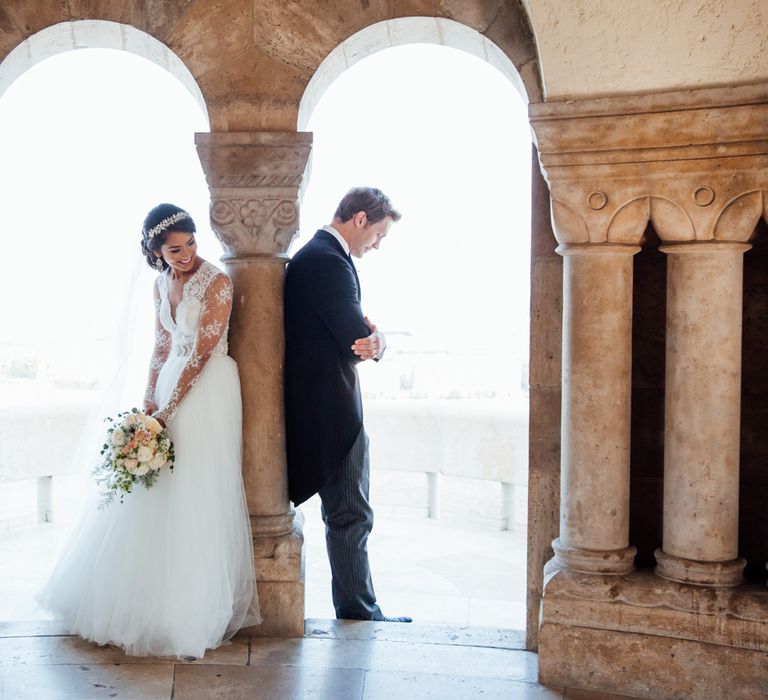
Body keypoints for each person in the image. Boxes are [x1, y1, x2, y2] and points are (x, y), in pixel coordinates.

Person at [35, 203, 260, 657]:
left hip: (210, 389)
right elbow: (161, 347)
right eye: (175, 249)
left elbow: (199, 354)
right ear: (156, 251)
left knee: (195, 489)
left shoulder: (217, 282)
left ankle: (189, 607)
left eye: (191, 243)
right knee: (156, 491)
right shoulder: (161, 283)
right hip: (170, 383)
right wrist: (147, 406)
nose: (186, 255)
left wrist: (168, 411)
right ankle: (143, 599)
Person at [284, 186, 410, 622]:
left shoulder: (319, 257)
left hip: (321, 406)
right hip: (332, 412)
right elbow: (357, 339)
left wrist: (374, 339)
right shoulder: (328, 261)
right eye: (379, 235)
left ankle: (358, 606)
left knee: (347, 514)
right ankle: (359, 610)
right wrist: (379, 341)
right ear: (360, 219)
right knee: (351, 514)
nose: (376, 246)